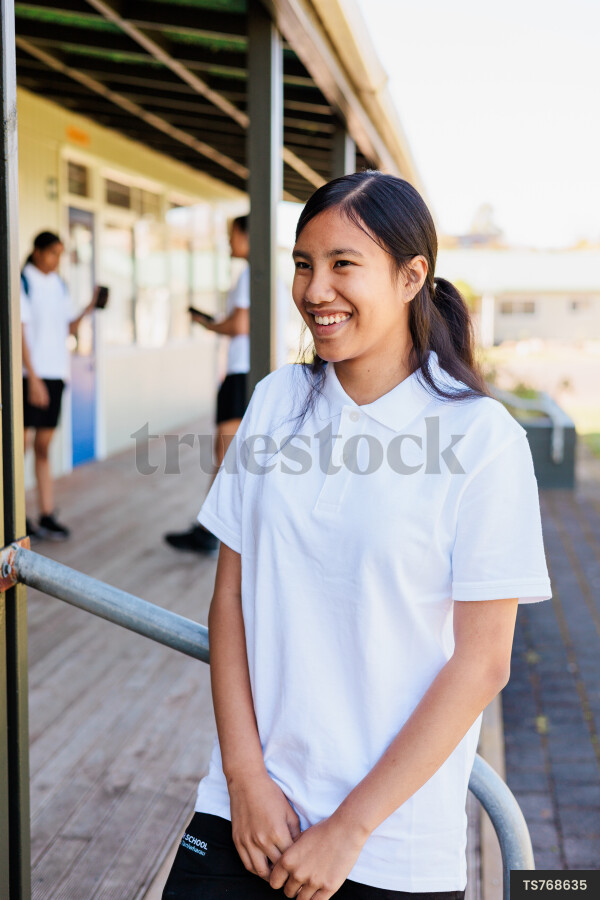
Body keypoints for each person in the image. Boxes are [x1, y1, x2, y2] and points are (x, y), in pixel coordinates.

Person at [162, 172, 551, 899]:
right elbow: (228, 602)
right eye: (304, 264)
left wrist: (349, 827)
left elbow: (482, 663)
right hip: (242, 813)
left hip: (387, 844)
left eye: (344, 264)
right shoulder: (278, 401)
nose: (315, 290)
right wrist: (246, 779)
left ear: (412, 277)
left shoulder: (482, 439)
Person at [164, 214, 290, 555]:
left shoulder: (251, 274)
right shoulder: (268, 276)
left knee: (226, 454)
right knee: (237, 455)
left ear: (247, 237)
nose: (227, 242)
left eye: (231, 235)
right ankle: (218, 529)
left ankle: (213, 531)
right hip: (257, 370)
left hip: (242, 372)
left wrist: (209, 325)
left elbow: (240, 325)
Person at [21, 230, 97, 541]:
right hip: (31, 377)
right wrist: (33, 377)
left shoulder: (59, 284)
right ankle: (15, 517)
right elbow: (20, 332)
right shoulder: (24, 281)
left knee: (43, 447)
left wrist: (91, 305)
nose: (57, 260)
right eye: (53, 253)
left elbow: (69, 326)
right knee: (21, 448)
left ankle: (46, 513)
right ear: (37, 251)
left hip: (56, 375)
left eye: (60, 254)